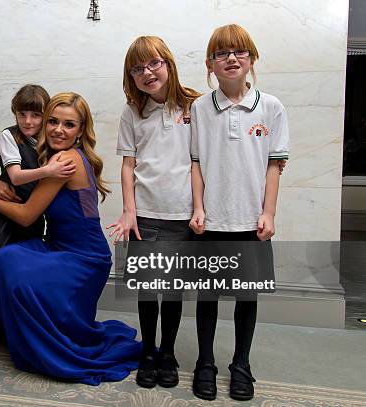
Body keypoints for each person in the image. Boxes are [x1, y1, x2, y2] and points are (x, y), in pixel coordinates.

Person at [0, 92, 141, 385]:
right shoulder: (57, 159)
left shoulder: (66, 160)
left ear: (81, 130)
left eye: (69, 125)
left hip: (84, 257)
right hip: (62, 247)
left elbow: (27, 215)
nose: (58, 129)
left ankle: (39, 339)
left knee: (7, 260)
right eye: (53, 121)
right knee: (10, 257)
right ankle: (26, 332)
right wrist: (2, 180)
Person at [189, 24, 289, 401]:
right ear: (210, 64)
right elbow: (196, 162)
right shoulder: (200, 107)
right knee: (208, 297)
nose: (231, 59)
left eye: (239, 52)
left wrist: (269, 213)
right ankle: (205, 363)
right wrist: (198, 208)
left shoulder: (271, 107)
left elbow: (274, 165)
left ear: (251, 59)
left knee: (248, 298)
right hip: (212, 220)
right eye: (221, 53)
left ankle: (241, 365)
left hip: (252, 222)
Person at [107, 36, 200, 389]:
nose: (147, 73)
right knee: (148, 290)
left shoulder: (195, 105)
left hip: (183, 214)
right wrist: (129, 211)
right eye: (137, 68)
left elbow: (202, 161)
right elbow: (128, 165)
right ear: (131, 76)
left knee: (173, 290)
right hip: (145, 214)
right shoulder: (133, 112)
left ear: (168, 64)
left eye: (153, 64)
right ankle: (148, 351)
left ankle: (170, 353)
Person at [0, 84, 75, 371]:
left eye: (36, 115)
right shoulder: (9, 135)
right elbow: (14, 176)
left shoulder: (51, 139)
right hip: (7, 218)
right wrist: (45, 172)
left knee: (22, 277)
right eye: (22, 114)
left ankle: (10, 328)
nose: (28, 121)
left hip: (34, 219)